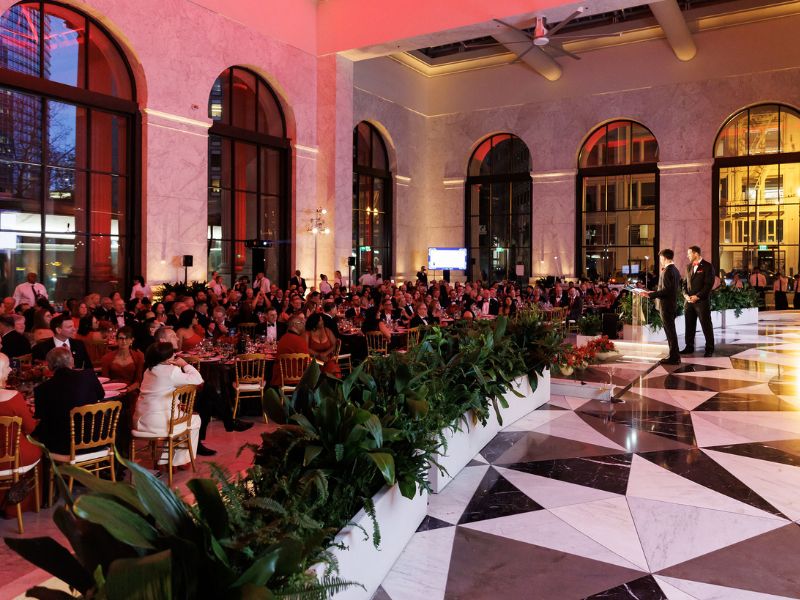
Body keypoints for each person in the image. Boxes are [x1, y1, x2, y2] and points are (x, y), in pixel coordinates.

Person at [135, 343, 203, 467]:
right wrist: (185, 365)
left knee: (179, 421)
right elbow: (198, 380)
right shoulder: (172, 371)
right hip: (158, 422)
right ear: (167, 359)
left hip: (140, 421)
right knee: (195, 420)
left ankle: (165, 460)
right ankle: (176, 462)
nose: (175, 355)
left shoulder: (148, 370)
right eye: (173, 354)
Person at [32, 348, 104, 455]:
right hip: (95, 440)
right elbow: (101, 395)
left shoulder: (42, 389)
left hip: (61, 447)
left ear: (49, 366)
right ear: (71, 361)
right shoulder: (89, 375)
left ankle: (48, 469)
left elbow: (40, 415)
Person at [0, 352, 41, 517]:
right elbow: (30, 428)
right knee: (37, 450)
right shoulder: (14, 397)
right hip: (13, 459)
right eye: (8, 366)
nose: (11, 369)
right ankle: (17, 505)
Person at [643, 249, 682, 364]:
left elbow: (666, 291)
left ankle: (674, 357)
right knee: (671, 331)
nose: (660, 261)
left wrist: (651, 294)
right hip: (671, 304)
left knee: (670, 332)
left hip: (666, 305)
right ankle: (675, 355)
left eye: (660, 259)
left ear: (664, 258)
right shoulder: (675, 270)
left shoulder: (668, 271)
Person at [681, 245, 715, 357]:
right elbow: (684, 284)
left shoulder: (707, 266)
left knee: (706, 325)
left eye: (689, 253)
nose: (687, 255)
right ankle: (689, 346)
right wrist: (686, 295)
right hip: (689, 302)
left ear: (696, 254)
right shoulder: (688, 266)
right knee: (689, 325)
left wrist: (698, 296)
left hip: (702, 301)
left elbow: (708, 285)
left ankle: (709, 348)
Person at [100, 327, 144, 392]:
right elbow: (105, 381)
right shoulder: (106, 358)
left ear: (132, 340)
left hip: (132, 391)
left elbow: (138, 381)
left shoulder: (139, 356)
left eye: (127, 338)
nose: (124, 341)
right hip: (113, 392)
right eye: (121, 338)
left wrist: (128, 390)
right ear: (117, 340)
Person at [271, 314, 310, 386]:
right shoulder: (299, 341)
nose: (303, 325)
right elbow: (307, 363)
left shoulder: (283, 338)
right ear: (294, 325)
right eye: (301, 323)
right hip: (297, 380)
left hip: (281, 379)